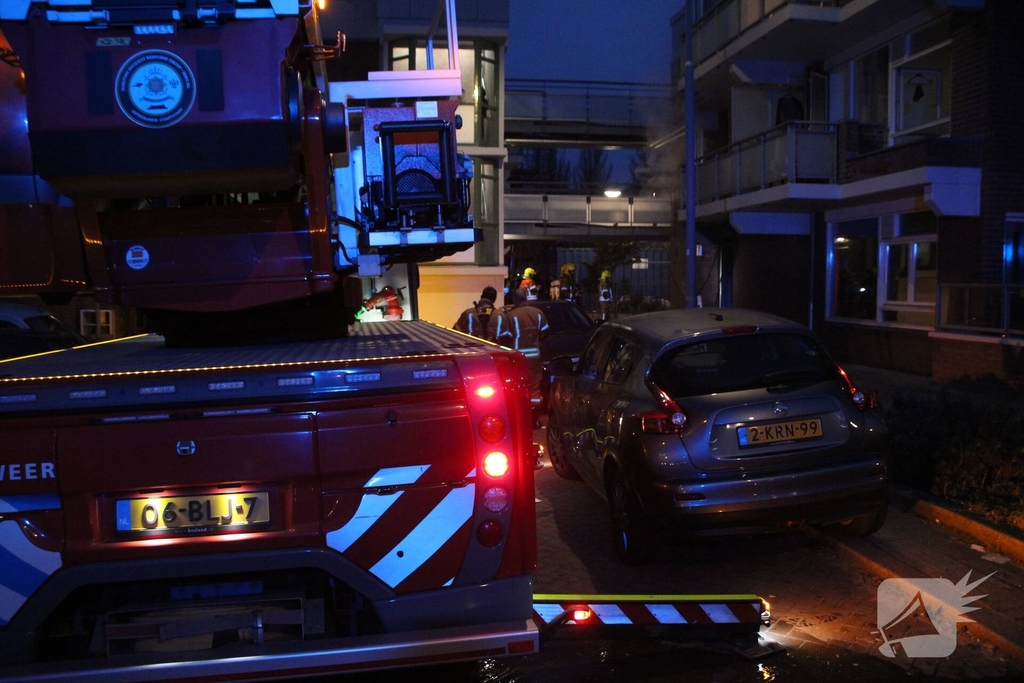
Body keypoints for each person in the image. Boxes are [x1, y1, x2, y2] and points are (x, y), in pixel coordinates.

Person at [490, 287, 549, 407]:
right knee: (534, 387)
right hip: (534, 358)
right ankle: (535, 414)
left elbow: (504, 337)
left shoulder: (509, 316)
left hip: (517, 358)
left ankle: (521, 410)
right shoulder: (537, 313)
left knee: (518, 385)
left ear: (514, 299)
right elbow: (544, 333)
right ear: (526, 298)